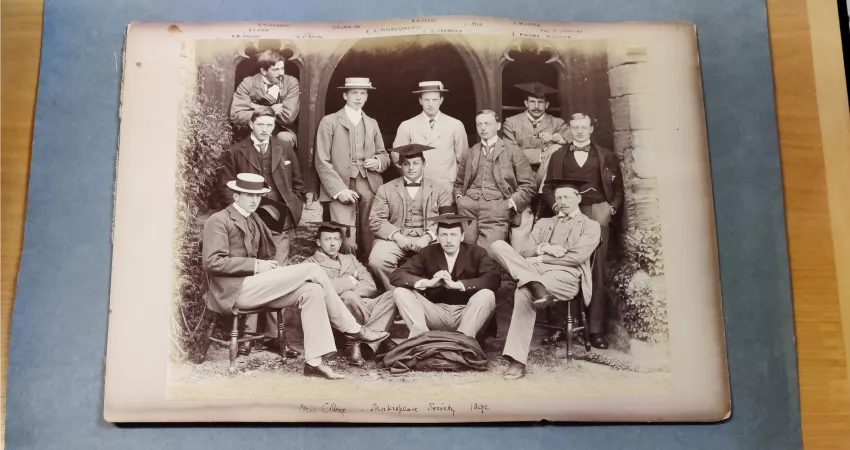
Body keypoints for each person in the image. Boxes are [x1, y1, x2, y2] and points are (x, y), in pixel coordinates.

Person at [203, 173, 389, 379]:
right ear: (236, 196)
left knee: (313, 290)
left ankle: (314, 363)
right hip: (233, 292)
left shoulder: (254, 218)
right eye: (249, 195)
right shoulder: (218, 220)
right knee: (313, 270)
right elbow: (212, 262)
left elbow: (267, 252)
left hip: (255, 286)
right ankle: (353, 328)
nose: (255, 200)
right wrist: (256, 265)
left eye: (258, 196)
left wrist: (271, 267)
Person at [488, 178, 601, 380]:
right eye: (558, 197)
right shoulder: (545, 223)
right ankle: (535, 285)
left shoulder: (591, 226)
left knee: (524, 290)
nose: (562, 201)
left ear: (578, 197)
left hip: (567, 275)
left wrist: (540, 257)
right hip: (534, 268)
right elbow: (523, 251)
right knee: (497, 246)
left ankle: (517, 360)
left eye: (567, 197)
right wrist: (543, 247)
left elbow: (576, 257)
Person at [541, 113, 624, 349]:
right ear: (569, 129)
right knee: (563, 263)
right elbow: (547, 187)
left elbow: (618, 190)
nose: (579, 132)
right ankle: (562, 326)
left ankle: (595, 330)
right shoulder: (558, 155)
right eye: (575, 127)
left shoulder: (606, 156)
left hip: (597, 213)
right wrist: (557, 206)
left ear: (591, 128)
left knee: (596, 270)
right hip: (566, 214)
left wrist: (610, 210)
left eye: (583, 127)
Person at [389, 205, 501, 339]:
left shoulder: (477, 252)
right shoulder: (427, 253)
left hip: (467, 314)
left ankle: (464, 341)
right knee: (400, 292)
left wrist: (458, 285)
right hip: (435, 313)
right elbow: (397, 275)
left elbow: (493, 279)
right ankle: (421, 340)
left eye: (453, 235)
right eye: (444, 235)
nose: (449, 240)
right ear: (437, 237)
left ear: (462, 236)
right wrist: (428, 283)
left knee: (487, 295)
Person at [315, 77, 390, 259]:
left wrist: (378, 162)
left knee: (370, 233)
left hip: (369, 184)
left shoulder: (372, 123)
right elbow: (321, 160)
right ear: (345, 95)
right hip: (340, 185)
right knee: (345, 237)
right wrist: (339, 190)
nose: (358, 97)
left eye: (362, 93)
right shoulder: (329, 121)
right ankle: (346, 273)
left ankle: (371, 277)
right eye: (354, 93)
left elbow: (384, 155)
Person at [303, 221, 397, 366]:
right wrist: (349, 282)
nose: (332, 244)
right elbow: (321, 291)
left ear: (341, 242)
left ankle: (360, 342)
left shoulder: (351, 259)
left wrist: (343, 287)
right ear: (318, 242)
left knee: (394, 295)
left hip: (363, 304)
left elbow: (371, 286)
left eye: (336, 239)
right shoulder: (310, 265)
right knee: (348, 297)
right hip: (336, 314)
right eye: (327, 239)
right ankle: (376, 339)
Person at [368, 143, 453, 290]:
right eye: (406, 164)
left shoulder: (440, 190)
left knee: (446, 259)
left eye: (416, 163)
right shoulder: (385, 189)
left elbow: (446, 219)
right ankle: (397, 293)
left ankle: (429, 294)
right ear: (401, 166)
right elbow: (376, 220)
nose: (411, 168)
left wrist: (428, 236)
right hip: (396, 238)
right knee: (377, 259)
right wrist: (397, 236)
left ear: (424, 164)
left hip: (430, 239)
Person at [501, 82, 572, 251]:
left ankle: (540, 201)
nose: (536, 106)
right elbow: (510, 152)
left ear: (547, 104)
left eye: (541, 102)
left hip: (545, 179)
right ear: (525, 103)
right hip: (520, 178)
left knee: (556, 149)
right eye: (532, 102)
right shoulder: (511, 123)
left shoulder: (557, 123)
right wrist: (541, 154)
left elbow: (571, 142)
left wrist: (556, 138)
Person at [453, 110, 536, 250]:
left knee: (489, 254)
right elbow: (459, 183)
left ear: (498, 126)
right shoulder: (470, 152)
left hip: (497, 210)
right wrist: (460, 199)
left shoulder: (512, 151)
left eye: (487, 123)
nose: (483, 128)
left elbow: (529, 185)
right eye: (479, 124)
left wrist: (509, 204)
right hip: (468, 209)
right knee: (465, 251)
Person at [392, 81, 469, 189]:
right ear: (420, 101)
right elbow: (397, 158)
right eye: (426, 100)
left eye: (434, 100)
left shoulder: (455, 125)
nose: (431, 104)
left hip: (447, 186)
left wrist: (458, 185)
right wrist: (412, 179)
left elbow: (463, 159)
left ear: (441, 100)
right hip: (418, 187)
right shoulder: (407, 126)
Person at [230, 49, 300, 146]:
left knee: (285, 138)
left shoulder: (291, 82)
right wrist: (268, 110)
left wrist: (253, 106)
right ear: (263, 71)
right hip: (254, 129)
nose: (281, 73)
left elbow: (288, 116)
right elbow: (236, 115)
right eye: (275, 70)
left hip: (282, 129)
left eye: (282, 68)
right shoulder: (249, 83)